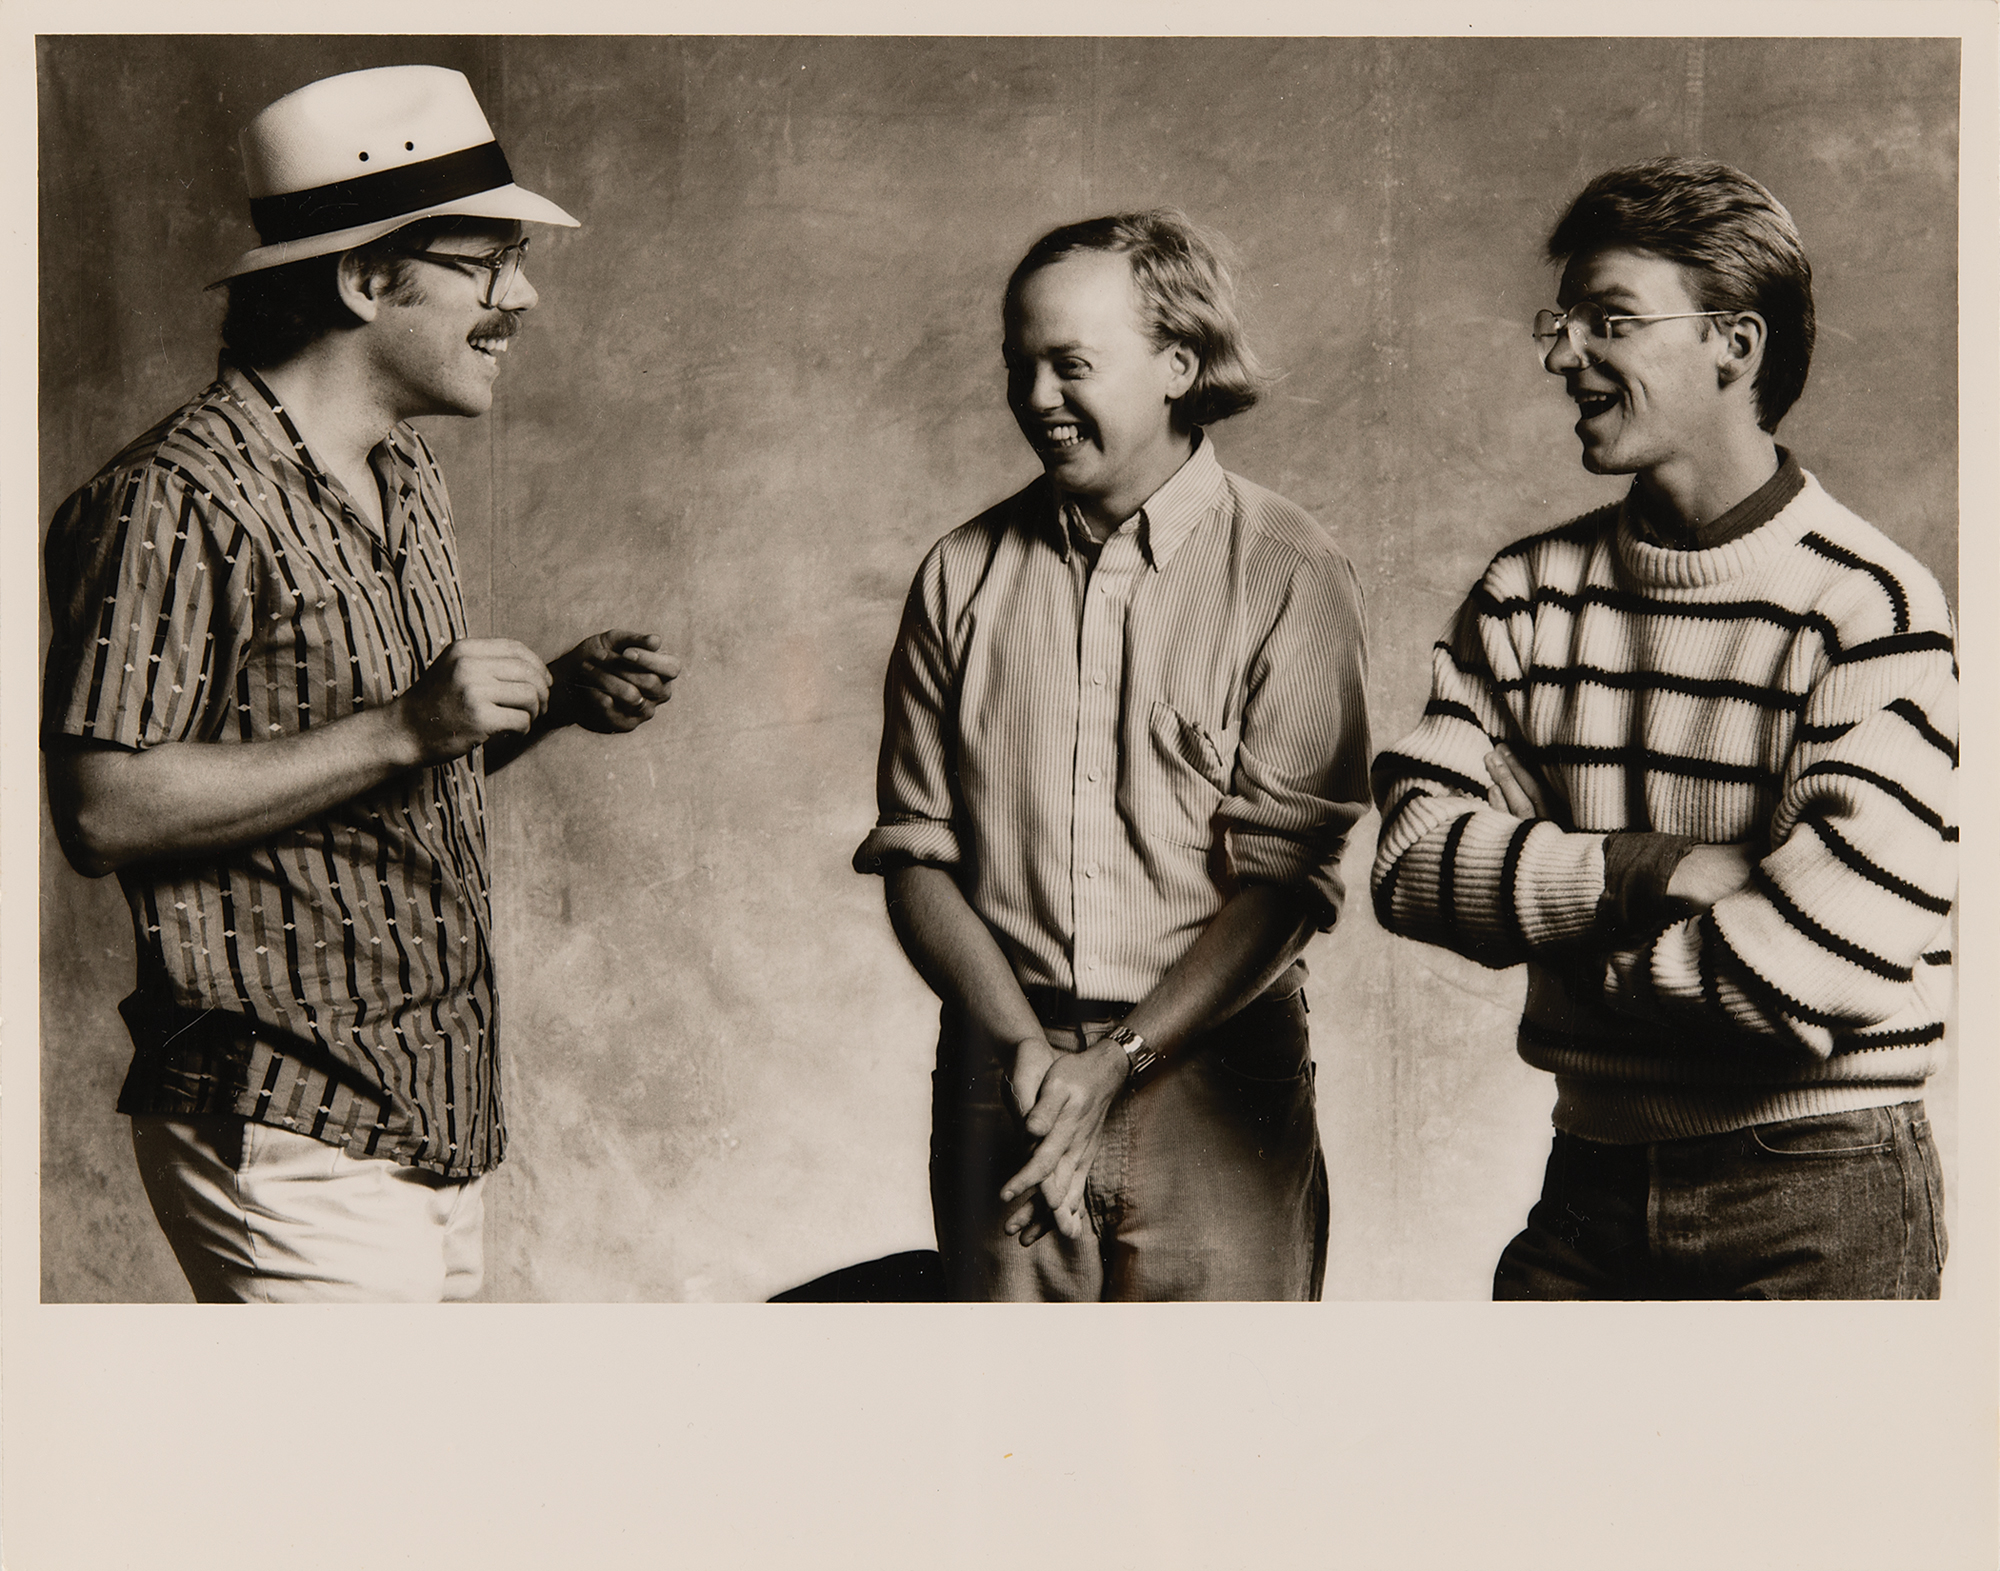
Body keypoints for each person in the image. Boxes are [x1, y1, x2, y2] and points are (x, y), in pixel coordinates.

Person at [41, 65, 681, 1303]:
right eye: (489, 261)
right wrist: (402, 725)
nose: (521, 294)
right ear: (364, 279)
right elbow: (103, 809)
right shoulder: (173, 496)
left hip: (425, 1106)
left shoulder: (406, 472)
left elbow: (362, 764)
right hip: (284, 1114)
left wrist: (541, 697)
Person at [1370, 158, 1956, 1299]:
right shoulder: (1524, 594)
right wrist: (1658, 870)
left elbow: (1812, 969)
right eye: (1562, 321)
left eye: (1610, 320)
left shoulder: (1869, 606)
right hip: (1587, 1180)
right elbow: (1411, 865)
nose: (1561, 355)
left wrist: (1557, 920)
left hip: (1816, 1185)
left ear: (1734, 344)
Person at [854, 210, 1372, 1301]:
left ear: (1179, 364)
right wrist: (1026, 1048)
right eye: (1019, 364)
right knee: (1010, 1407)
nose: (1035, 396)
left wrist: (1117, 1060)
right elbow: (915, 855)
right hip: (1007, 1076)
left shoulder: (1291, 570)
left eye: (1071, 364)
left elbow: (1287, 882)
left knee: (1222, 1405)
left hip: (1217, 1081)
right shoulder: (958, 575)